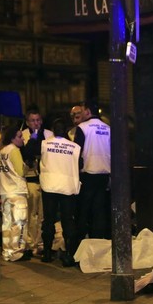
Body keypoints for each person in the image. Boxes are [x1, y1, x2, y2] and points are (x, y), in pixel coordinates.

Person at [39, 118, 81, 266]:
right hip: (68, 187)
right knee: (68, 221)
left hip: (49, 186)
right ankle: (69, 254)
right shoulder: (74, 147)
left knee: (49, 220)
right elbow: (79, 165)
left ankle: (47, 253)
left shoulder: (45, 144)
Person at [73, 99, 111, 248]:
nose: (81, 114)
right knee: (99, 209)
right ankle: (98, 241)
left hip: (88, 173)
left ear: (88, 111)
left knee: (84, 209)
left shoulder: (83, 127)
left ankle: (81, 242)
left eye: (82, 111)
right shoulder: (108, 128)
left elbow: (77, 151)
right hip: (104, 173)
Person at [20, 107, 53, 256]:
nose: (36, 123)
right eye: (32, 121)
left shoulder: (49, 135)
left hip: (46, 179)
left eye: (38, 120)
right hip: (31, 179)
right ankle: (30, 242)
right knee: (31, 213)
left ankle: (40, 243)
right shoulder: (23, 135)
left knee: (43, 215)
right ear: (27, 122)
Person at [0, 126, 33, 262]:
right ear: (12, 138)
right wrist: (27, 165)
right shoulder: (14, 150)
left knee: (7, 224)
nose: (23, 138)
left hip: (5, 192)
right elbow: (21, 171)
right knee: (19, 223)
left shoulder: (2, 152)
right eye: (19, 136)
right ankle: (17, 252)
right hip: (17, 192)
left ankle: (7, 252)